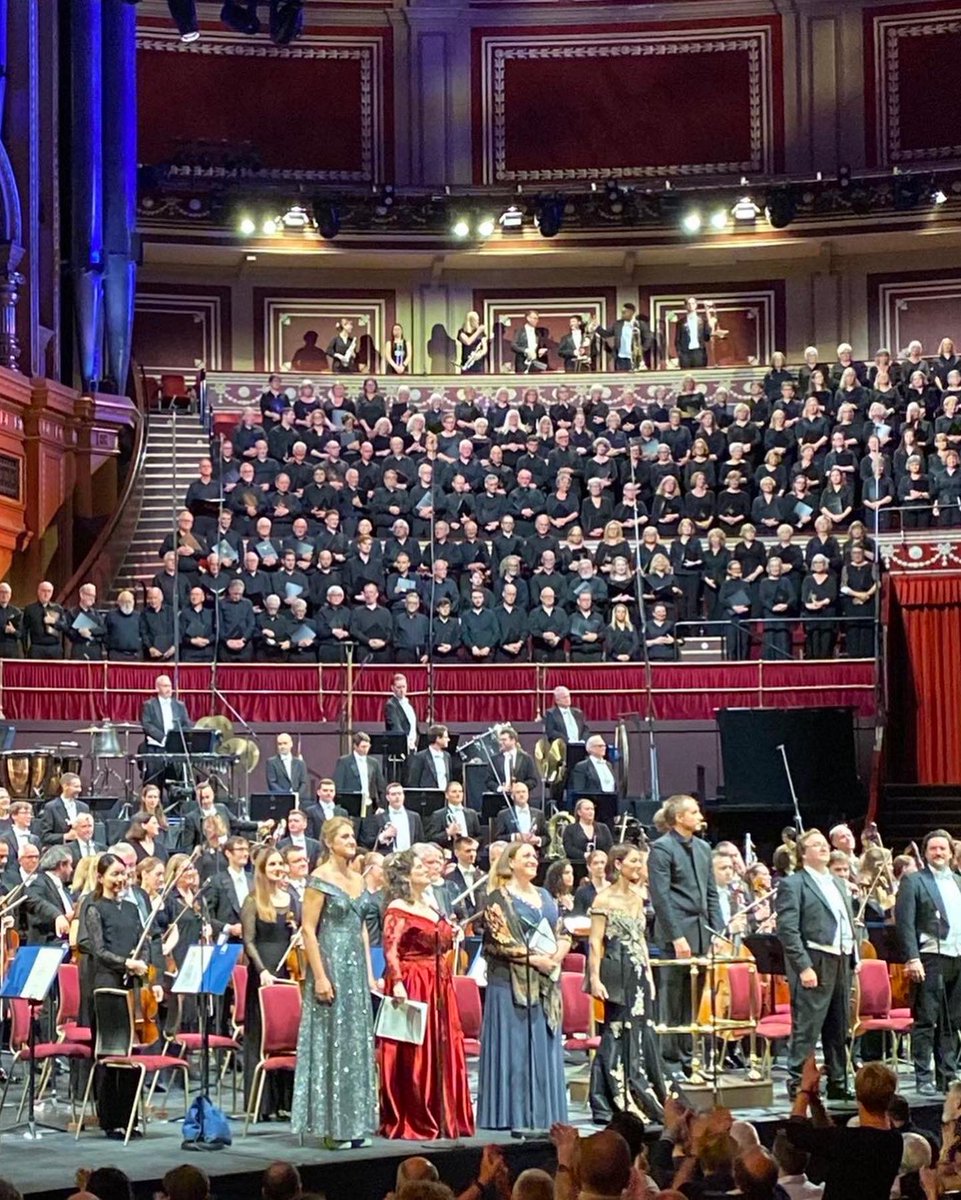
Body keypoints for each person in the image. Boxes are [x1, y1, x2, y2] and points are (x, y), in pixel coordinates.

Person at [291, 816, 378, 1148]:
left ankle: (355, 1124)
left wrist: (369, 973)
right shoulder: (318, 879)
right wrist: (321, 977)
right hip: (330, 962)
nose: (351, 840)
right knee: (332, 1041)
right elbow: (308, 930)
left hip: (355, 968)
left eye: (352, 835)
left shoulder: (358, 879)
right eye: (344, 836)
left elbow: (362, 930)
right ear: (328, 842)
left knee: (354, 1043)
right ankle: (331, 1127)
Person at [379, 849, 475, 1138]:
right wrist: (397, 981)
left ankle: (444, 1112)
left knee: (442, 1045)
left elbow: (439, 940)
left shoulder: (431, 903)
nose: (426, 869)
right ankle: (416, 1115)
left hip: (438, 981)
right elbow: (390, 948)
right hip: (413, 980)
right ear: (406, 876)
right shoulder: (398, 906)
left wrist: (451, 934)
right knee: (415, 1049)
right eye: (419, 866)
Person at [476, 842, 571, 1129]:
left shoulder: (544, 895)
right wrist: (535, 960)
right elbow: (501, 941)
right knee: (515, 1049)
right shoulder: (497, 897)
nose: (533, 859)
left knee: (542, 1047)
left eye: (535, 855)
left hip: (545, 983)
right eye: (526, 856)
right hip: (509, 985)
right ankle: (511, 1115)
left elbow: (562, 931)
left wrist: (557, 954)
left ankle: (543, 1115)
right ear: (511, 863)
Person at [79, 852, 162, 1138]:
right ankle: (110, 1118)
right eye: (114, 874)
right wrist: (126, 963)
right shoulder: (94, 908)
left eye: (123, 874)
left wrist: (144, 967)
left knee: (130, 1051)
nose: (120, 879)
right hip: (107, 986)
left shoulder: (130, 908)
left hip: (132, 983)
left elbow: (145, 941)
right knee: (112, 1050)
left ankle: (130, 1118)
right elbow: (98, 951)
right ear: (100, 877)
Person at [775, 829, 858, 1099]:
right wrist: (803, 966)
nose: (823, 848)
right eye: (815, 845)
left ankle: (838, 1081)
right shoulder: (794, 884)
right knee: (808, 1027)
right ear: (803, 853)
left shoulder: (837, 882)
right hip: (815, 959)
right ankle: (799, 1083)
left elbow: (847, 921)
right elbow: (788, 930)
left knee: (838, 1025)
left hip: (842, 958)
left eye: (824, 844)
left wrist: (854, 956)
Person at [588, 844, 666, 1123]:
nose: (638, 866)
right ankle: (613, 1096)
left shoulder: (637, 899)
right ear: (618, 864)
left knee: (642, 1029)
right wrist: (595, 979)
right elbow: (596, 942)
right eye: (634, 861)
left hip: (637, 972)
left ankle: (641, 1088)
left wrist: (648, 975)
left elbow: (641, 940)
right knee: (617, 1030)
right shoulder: (603, 900)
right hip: (616, 970)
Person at [647, 793, 722, 1079]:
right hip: (676, 935)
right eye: (693, 811)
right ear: (679, 818)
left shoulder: (703, 848)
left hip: (702, 933)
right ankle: (670, 1063)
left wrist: (718, 930)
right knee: (673, 1000)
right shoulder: (662, 849)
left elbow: (711, 892)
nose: (699, 815)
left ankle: (691, 1060)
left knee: (693, 1001)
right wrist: (676, 936)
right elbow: (661, 897)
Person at [895, 827, 961, 1096]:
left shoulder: (958, 880)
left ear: (950, 852)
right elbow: (905, 923)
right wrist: (912, 958)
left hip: (958, 955)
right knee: (926, 1020)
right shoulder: (914, 880)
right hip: (931, 955)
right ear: (925, 852)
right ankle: (923, 1077)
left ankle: (947, 1075)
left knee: (951, 1021)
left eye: (943, 848)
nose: (938, 853)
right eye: (933, 848)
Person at [785, 1058, 902, 1200]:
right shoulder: (894, 1139)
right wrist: (814, 1100)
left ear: (858, 1096)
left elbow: (795, 1133)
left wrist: (804, 1090)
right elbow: (829, 1134)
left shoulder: (848, 1141)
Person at [241, 848, 296, 1120]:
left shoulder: (291, 898)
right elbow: (248, 940)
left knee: (287, 1036)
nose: (278, 867)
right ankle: (260, 1105)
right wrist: (261, 969)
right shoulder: (253, 900)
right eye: (272, 864)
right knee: (262, 1036)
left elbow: (298, 932)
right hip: (263, 972)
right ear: (262, 870)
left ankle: (284, 1103)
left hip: (288, 970)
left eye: (280, 863)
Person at [139, 675, 191, 784]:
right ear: (157, 688)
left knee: (177, 780)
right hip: (156, 747)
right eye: (165, 686)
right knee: (154, 781)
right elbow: (147, 725)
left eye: (170, 686)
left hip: (175, 749)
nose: (169, 689)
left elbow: (186, 724)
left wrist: (177, 739)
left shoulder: (179, 705)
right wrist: (163, 738)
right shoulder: (149, 705)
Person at [361, 782, 425, 852]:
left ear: (403, 796)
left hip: (410, 858)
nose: (397, 797)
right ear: (387, 797)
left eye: (400, 793)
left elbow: (420, 841)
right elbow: (368, 842)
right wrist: (383, 836)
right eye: (393, 794)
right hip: (388, 858)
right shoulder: (378, 818)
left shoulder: (415, 817)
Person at [332, 731, 386, 813]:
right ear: (355, 746)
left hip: (370, 805)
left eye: (368, 746)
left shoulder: (374, 762)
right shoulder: (344, 761)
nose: (366, 750)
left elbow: (380, 785)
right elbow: (338, 784)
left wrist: (381, 805)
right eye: (363, 747)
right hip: (351, 806)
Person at [424, 780, 481, 849]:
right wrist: (448, 833)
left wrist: (473, 842)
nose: (458, 794)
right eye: (454, 792)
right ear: (446, 795)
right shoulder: (438, 815)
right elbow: (430, 838)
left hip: (469, 852)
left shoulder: (472, 813)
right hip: (448, 853)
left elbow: (479, 836)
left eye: (460, 791)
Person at [492, 781, 548, 846]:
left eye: (524, 792)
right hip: (512, 853)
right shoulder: (503, 815)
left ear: (528, 794)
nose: (521, 795)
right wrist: (514, 837)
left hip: (535, 852)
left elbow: (547, 838)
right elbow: (497, 838)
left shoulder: (539, 814)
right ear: (512, 796)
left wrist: (538, 840)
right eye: (518, 792)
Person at [562, 797, 614, 865]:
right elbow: (569, 848)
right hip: (577, 865)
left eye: (592, 809)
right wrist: (584, 855)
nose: (591, 812)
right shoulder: (570, 829)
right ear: (579, 812)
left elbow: (609, 847)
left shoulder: (603, 828)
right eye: (587, 809)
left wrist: (600, 856)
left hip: (600, 865)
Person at [265, 732, 311, 805]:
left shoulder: (300, 763)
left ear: (291, 744)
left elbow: (304, 782)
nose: (282, 746)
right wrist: (287, 796)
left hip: (300, 801)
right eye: (280, 744)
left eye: (285, 743)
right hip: (280, 800)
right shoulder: (271, 762)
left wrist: (297, 796)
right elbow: (272, 783)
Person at [407, 725, 454, 791]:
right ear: (438, 738)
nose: (448, 740)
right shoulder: (420, 757)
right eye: (445, 737)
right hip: (428, 797)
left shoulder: (447, 756)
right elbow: (414, 781)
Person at [384, 673, 420, 756]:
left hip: (413, 748)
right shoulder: (391, 705)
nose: (402, 690)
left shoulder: (408, 703)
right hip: (401, 750)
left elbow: (413, 726)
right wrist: (405, 746)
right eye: (399, 687)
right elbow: (396, 728)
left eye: (404, 687)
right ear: (392, 688)